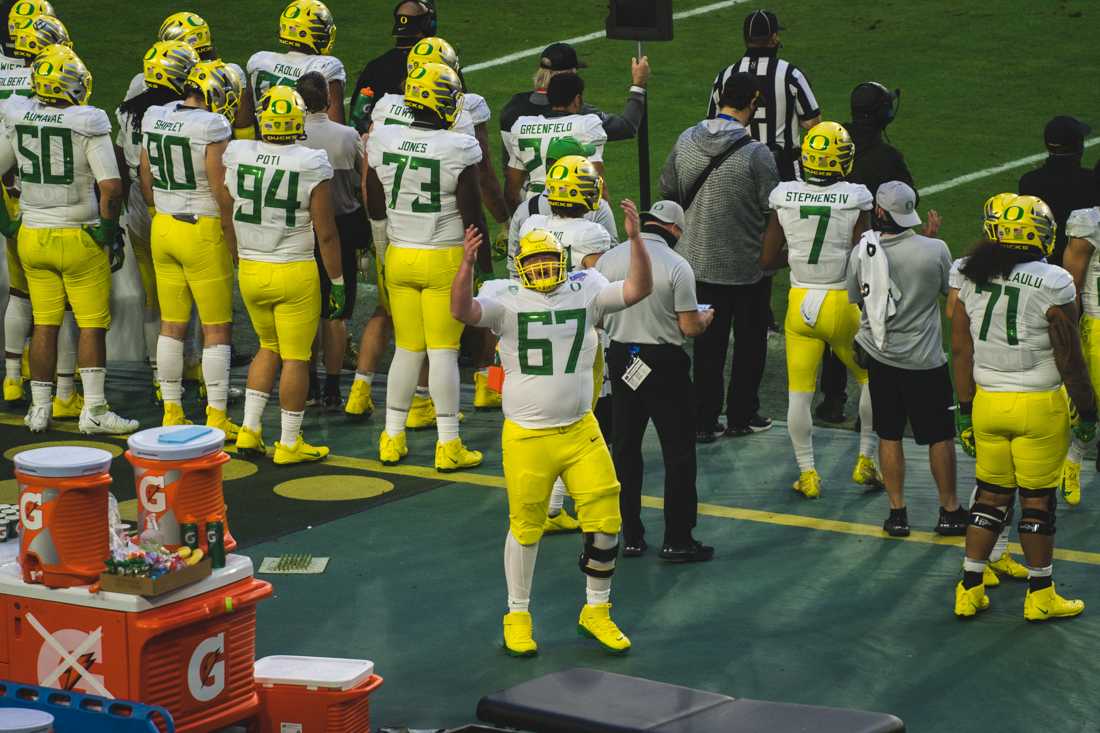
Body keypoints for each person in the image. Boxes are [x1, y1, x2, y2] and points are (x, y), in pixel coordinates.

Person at [450, 200, 653, 657]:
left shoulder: (586, 289)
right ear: (520, 266)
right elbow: (462, 310)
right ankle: (517, 613)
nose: (541, 268)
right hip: (527, 434)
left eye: (548, 259)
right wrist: (464, 265)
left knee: (606, 522)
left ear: (562, 261)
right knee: (525, 528)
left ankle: (596, 611)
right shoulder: (505, 299)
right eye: (534, 261)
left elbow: (638, 288)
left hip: (581, 431)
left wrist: (637, 239)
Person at [951, 194, 1094, 622]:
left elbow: (960, 350)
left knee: (990, 499)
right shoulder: (1053, 281)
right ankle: (1040, 593)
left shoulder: (968, 274)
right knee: (1037, 501)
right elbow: (1069, 355)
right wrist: (1087, 411)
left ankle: (969, 586)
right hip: (1038, 404)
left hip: (988, 401)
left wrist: (963, 409)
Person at [0, 44, 137, 434]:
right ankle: (94, 408)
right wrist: (108, 233)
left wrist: (8, 225)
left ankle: (39, 408)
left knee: (44, 324)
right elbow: (110, 186)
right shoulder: (86, 121)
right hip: (78, 235)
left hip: (33, 234)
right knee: (91, 325)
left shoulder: (19, 114)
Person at [365, 61, 485, 470]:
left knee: (407, 350)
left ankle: (391, 437)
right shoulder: (457, 147)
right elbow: (472, 210)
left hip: (401, 252)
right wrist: (480, 258)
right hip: (444, 255)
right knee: (443, 353)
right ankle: (448, 444)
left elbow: (376, 201)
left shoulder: (383, 138)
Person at [223, 85, 344, 464]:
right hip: (292, 268)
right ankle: (290, 441)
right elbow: (325, 232)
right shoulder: (310, 161)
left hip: (251, 266)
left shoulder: (239, 153)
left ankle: (250, 430)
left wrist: (238, 255)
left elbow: (228, 211)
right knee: (294, 356)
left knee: (267, 347)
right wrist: (337, 282)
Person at [760, 121, 882, 498]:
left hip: (800, 303)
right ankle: (866, 460)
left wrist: (798, 259)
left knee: (799, 392)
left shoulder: (785, 195)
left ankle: (808, 473)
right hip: (840, 303)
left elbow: (766, 259)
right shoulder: (855, 197)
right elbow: (865, 255)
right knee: (869, 380)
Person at [659, 72, 777, 443]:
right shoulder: (757, 154)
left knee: (707, 348)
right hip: (746, 268)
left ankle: (704, 420)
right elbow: (772, 209)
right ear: (752, 103)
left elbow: (669, 190)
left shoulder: (686, 140)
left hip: (694, 263)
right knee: (749, 345)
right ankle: (742, 414)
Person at [846, 181, 966, 537]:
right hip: (925, 362)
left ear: (879, 212)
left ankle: (897, 513)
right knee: (940, 437)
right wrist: (928, 240)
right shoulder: (935, 249)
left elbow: (859, 298)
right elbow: (948, 291)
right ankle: (949, 510)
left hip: (882, 358)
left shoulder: (861, 251)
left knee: (889, 435)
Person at [597, 200, 715, 561]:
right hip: (664, 363)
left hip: (621, 357)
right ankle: (677, 538)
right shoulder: (678, 265)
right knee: (677, 452)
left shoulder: (608, 259)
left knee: (625, 448)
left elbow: (599, 315)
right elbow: (689, 327)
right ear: (675, 230)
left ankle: (629, 535)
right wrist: (706, 318)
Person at [140, 56, 240, 439]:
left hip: (163, 225)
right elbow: (221, 191)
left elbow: (145, 176)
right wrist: (233, 241)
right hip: (202, 228)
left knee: (172, 325)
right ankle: (215, 415)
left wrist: (162, 207)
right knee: (216, 329)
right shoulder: (213, 125)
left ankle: (172, 411)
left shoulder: (155, 115)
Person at [816, 81, 924, 424]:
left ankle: (832, 399)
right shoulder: (888, 157)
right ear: (884, 115)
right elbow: (909, 199)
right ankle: (871, 408)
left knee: (835, 330)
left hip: (830, 253)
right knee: (876, 326)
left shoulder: (832, 141)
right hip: (875, 256)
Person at [517, 154, 613, 533]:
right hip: (578, 332)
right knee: (577, 419)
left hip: (537, 327)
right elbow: (600, 288)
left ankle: (550, 508)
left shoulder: (533, 225)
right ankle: (561, 504)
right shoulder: (591, 235)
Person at [946, 193, 1030, 586]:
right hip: (1001, 378)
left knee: (998, 476)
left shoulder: (967, 268)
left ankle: (994, 554)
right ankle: (988, 555)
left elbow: (954, 318)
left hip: (986, 375)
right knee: (998, 478)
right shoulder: (1034, 273)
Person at [1, 12, 81, 420]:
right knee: (59, 308)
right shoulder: (59, 93)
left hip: (15, 198)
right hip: (55, 207)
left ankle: (14, 376)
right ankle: (63, 389)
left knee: (21, 294)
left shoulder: (12, 96)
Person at [296, 72, 364, 411]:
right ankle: (334, 388)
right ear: (327, 98)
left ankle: (308, 385)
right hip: (343, 227)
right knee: (335, 314)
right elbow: (360, 182)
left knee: (308, 312)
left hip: (302, 231)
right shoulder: (347, 136)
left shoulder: (289, 136)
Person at [706, 9, 820, 181]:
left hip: (738, 168)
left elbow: (712, 125)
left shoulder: (725, 76)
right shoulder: (791, 74)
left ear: (746, 40)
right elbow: (813, 123)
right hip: (784, 169)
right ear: (774, 37)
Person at [499, 41, 648, 170]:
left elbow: (509, 165)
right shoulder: (580, 115)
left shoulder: (512, 108)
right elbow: (627, 126)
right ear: (569, 74)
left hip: (525, 198)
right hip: (566, 194)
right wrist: (638, 85)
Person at [502, 73, 608, 211]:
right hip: (573, 208)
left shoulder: (522, 126)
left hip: (536, 210)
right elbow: (597, 184)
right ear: (577, 99)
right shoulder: (586, 125)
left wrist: (523, 217)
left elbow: (511, 190)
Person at [1018, 115, 1099, 267]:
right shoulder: (1092, 181)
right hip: (1081, 264)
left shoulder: (1028, 181)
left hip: (1041, 264)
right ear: (1079, 147)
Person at [1060, 203, 1100, 504]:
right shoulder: (1089, 222)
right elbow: (1069, 285)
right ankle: (1073, 460)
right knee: (1092, 403)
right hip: (1098, 324)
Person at [247, 0, 344, 123]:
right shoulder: (325, 67)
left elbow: (244, 122)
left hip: (267, 136)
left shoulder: (260, 61)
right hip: (306, 139)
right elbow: (335, 127)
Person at [348, 0, 437, 133]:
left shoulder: (374, 67)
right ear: (428, 25)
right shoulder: (439, 65)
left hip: (380, 147)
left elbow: (357, 119)